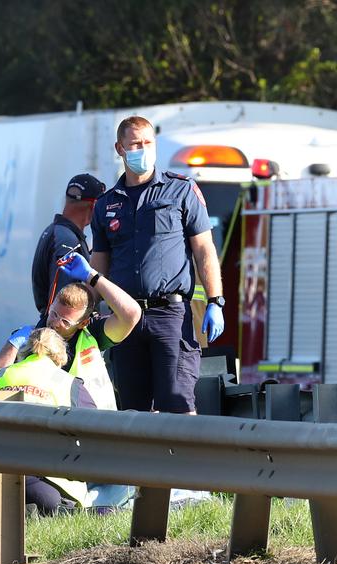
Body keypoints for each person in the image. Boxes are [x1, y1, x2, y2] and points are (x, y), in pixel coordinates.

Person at [89, 115, 224, 415]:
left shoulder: (180, 190)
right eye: (135, 144)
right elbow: (100, 264)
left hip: (170, 315)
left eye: (148, 143)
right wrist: (85, 307)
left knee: (176, 405)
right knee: (132, 413)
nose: (142, 150)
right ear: (120, 148)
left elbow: (203, 248)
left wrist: (215, 300)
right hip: (125, 318)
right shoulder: (106, 204)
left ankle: (183, 463)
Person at [0, 252, 141, 411]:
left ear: (82, 323)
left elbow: (131, 314)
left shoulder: (92, 333)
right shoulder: (33, 334)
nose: (56, 323)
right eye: (54, 314)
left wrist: (93, 277)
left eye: (65, 321)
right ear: (50, 306)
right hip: (44, 423)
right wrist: (12, 345)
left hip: (92, 422)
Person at [0, 328, 97, 514]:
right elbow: (96, 427)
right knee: (62, 512)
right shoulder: (67, 382)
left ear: (25, 350)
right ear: (60, 356)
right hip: (45, 485)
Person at [30, 173, 106, 317]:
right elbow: (64, 302)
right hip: (64, 330)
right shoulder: (68, 241)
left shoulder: (55, 231)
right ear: (95, 205)